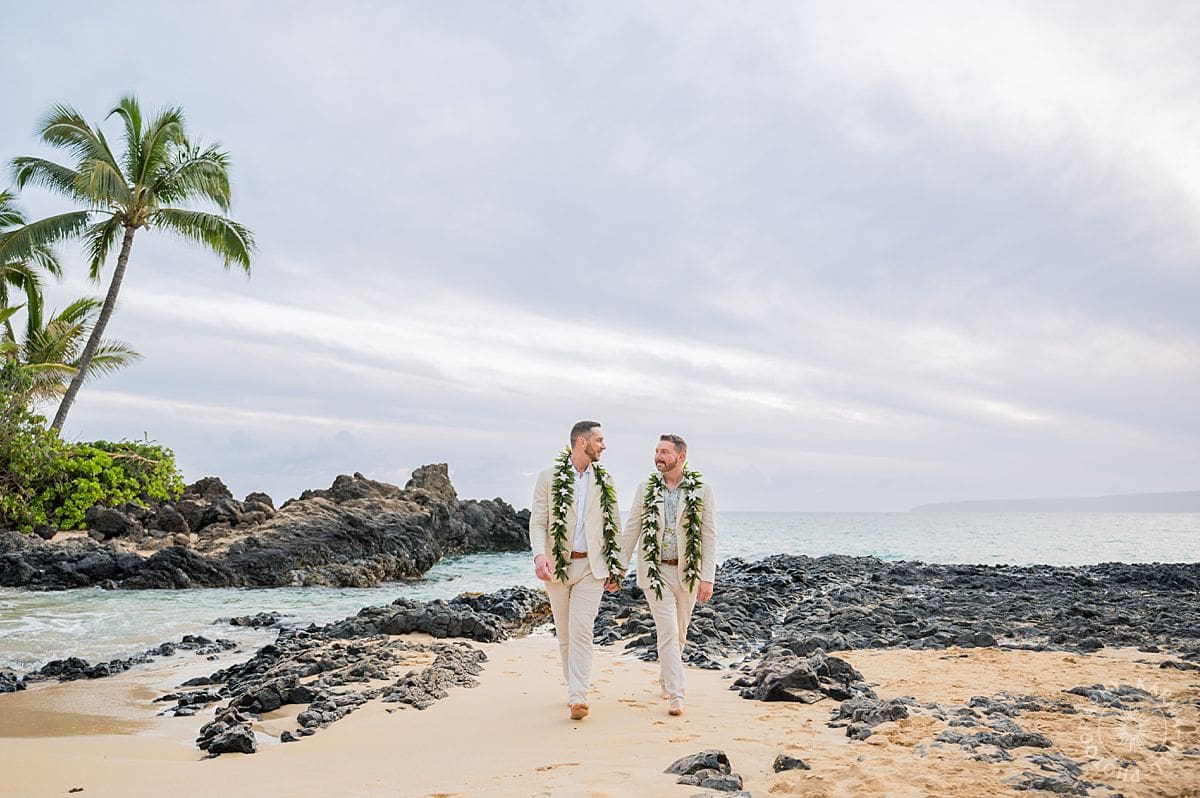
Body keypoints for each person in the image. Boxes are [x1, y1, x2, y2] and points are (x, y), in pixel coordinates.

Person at [529, 420, 625, 721]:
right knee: (565, 634)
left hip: (591, 567)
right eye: (599, 440)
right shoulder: (548, 477)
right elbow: (538, 521)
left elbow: (614, 525)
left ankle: (578, 697)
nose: (603, 446)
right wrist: (539, 556)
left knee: (582, 630)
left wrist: (617, 567)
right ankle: (574, 689)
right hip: (556, 565)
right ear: (582, 442)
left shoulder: (606, 479)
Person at [621, 434, 716, 717]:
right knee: (668, 630)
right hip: (655, 570)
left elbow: (708, 536)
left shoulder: (702, 491)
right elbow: (632, 529)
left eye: (664, 452)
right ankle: (677, 694)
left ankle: (665, 678)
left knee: (680, 633)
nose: (658, 457)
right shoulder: (646, 489)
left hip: (688, 572)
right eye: (656, 451)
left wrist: (707, 577)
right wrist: (618, 568)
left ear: (681, 457)